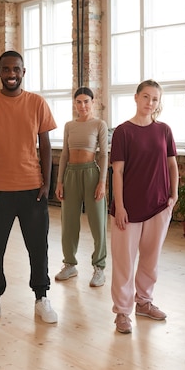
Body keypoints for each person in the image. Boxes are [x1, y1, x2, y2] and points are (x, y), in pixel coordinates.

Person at [0, 50, 58, 327]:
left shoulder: (37, 103)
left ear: (23, 71)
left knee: (38, 248)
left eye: (16, 69)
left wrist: (46, 183)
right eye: (6, 69)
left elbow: (45, 145)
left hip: (32, 189)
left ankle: (41, 297)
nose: (11, 74)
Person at [109, 80, 178, 334]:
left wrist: (174, 195)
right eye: (146, 97)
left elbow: (172, 165)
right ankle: (122, 312)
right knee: (124, 262)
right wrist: (120, 206)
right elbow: (117, 172)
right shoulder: (123, 132)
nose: (150, 103)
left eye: (155, 99)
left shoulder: (164, 131)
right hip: (129, 209)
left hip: (159, 206)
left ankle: (144, 302)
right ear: (136, 98)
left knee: (151, 259)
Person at [54, 87, 108, 287]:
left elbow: (103, 155)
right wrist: (59, 181)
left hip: (91, 174)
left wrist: (102, 182)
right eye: (79, 102)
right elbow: (65, 155)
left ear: (92, 102)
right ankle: (70, 264)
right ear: (75, 104)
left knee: (97, 222)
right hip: (71, 174)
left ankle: (99, 267)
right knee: (68, 222)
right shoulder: (69, 125)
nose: (82, 105)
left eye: (86, 101)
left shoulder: (99, 124)